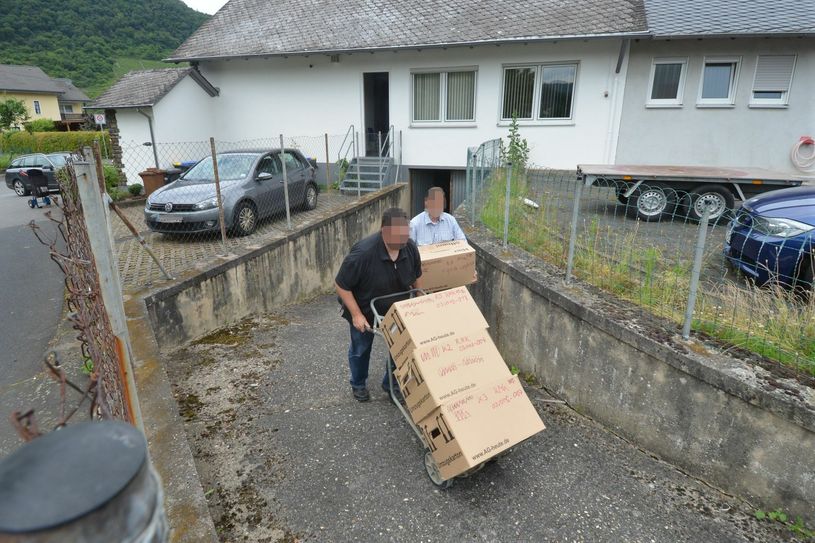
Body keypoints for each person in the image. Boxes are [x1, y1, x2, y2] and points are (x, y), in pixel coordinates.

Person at [335, 208, 422, 402]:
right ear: (384, 231)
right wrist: (357, 315)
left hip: (396, 311)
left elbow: (416, 277)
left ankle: (390, 385)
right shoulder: (363, 253)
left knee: (400, 349)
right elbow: (341, 285)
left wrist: (420, 302)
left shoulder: (410, 248)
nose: (403, 239)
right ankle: (358, 384)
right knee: (361, 348)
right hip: (364, 309)